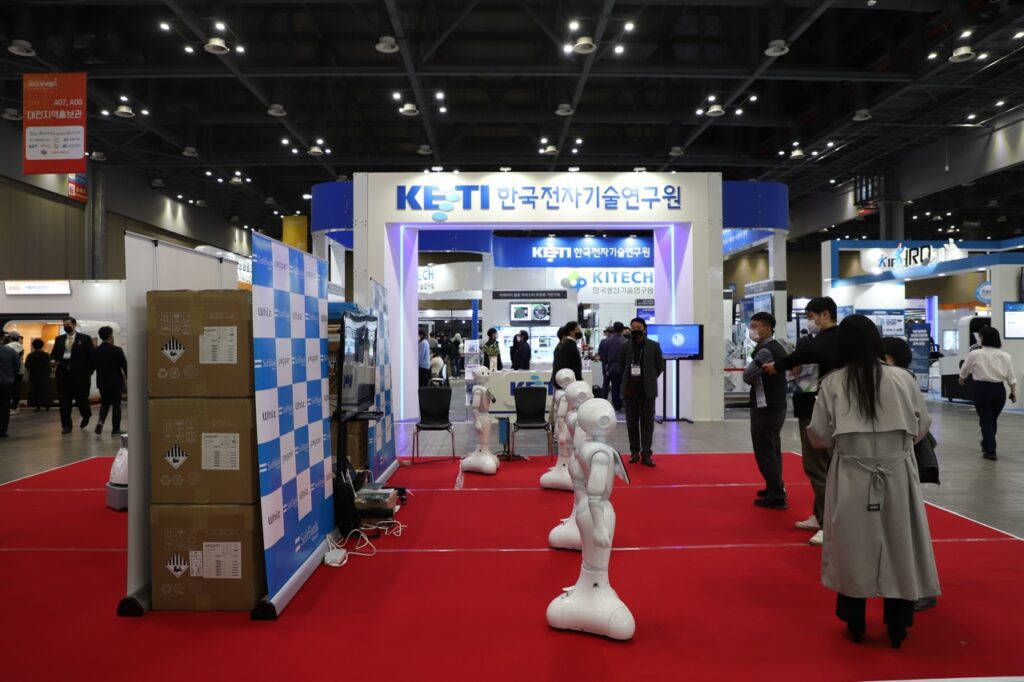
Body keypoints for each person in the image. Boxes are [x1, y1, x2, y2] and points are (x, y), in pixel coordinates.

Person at [806, 314, 940, 649]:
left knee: (852, 545)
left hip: (851, 472)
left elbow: (819, 435)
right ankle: (898, 623)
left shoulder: (833, 382)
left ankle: (854, 619)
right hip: (897, 472)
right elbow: (922, 424)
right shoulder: (901, 379)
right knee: (899, 541)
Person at [762, 296, 841, 546]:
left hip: (822, 409)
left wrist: (780, 364)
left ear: (825, 314)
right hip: (811, 405)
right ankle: (820, 516)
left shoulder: (831, 341)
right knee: (814, 465)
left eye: (811, 316)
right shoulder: (820, 342)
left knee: (819, 466)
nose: (810, 321)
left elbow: (805, 354)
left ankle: (829, 523)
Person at [882, 336, 940, 613]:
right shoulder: (901, 378)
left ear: (889, 358)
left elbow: (922, 422)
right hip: (901, 459)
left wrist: (902, 446)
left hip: (903, 460)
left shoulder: (899, 380)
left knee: (909, 527)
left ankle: (919, 587)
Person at [742, 312, 790, 509]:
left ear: (768, 327)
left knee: (765, 451)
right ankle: (774, 486)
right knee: (773, 449)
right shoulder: (775, 346)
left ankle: (776, 495)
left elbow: (747, 375)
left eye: (756, 326)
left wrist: (752, 375)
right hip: (776, 404)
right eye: (751, 326)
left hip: (766, 406)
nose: (752, 330)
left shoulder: (765, 351)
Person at [958, 326, 1017, 461]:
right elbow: (1011, 376)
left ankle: (991, 450)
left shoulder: (975, 354)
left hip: (982, 389)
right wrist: (1013, 392)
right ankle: (987, 443)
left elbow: (965, 368)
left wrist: (961, 379)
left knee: (986, 421)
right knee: (991, 419)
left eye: (980, 336)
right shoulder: (1006, 356)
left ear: (984, 338)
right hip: (999, 391)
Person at [619, 317, 665, 466]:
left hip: (647, 391)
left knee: (647, 424)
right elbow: (622, 367)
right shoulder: (625, 346)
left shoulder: (654, 346)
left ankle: (646, 454)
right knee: (632, 423)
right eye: (633, 327)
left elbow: (660, 367)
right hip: (630, 391)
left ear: (644, 329)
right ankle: (634, 452)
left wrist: (649, 379)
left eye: (638, 327)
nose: (635, 330)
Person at [51, 317, 95, 434]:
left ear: (74, 325)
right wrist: (53, 360)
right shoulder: (59, 339)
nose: (66, 326)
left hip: (81, 376)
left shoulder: (85, 339)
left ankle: (86, 414)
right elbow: (54, 354)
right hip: (63, 375)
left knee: (81, 400)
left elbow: (91, 356)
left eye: (68, 324)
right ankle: (66, 425)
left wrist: (89, 371)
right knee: (64, 401)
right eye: (64, 324)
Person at [92, 326, 127, 436]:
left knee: (105, 403)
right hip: (116, 382)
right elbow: (125, 367)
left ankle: (100, 421)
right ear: (111, 336)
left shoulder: (95, 351)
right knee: (116, 405)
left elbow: (92, 366)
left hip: (102, 381)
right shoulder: (117, 350)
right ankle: (116, 429)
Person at [0, 337, 22, 438]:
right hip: (6, 383)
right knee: (5, 407)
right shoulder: (10, 351)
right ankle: (2, 430)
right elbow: (17, 366)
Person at [24, 339, 51, 412]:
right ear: (42, 345)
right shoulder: (46, 355)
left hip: (34, 376)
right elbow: (49, 365)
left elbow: (27, 366)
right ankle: (47, 405)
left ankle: (37, 406)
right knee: (45, 390)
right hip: (44, 375)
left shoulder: (30, 355)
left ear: (33, 346)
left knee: (36, 391)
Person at [6, 331, 24, 413]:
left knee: (8, 389)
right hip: (19, 371)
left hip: (9, 371)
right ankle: (14, 407)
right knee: (17, 389)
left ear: (10, 338)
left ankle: (8, 406)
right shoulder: (21, 346)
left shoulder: (7, 347)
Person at [597, 327, 613, 398]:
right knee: (615, 385)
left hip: (605, 365)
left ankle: (603, 399)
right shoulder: (619, 341)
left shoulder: (603, 341)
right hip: (615, 367)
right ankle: (616, 402)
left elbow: (600, 353)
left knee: (605, 383)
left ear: (608, 332)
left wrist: (603, 361)